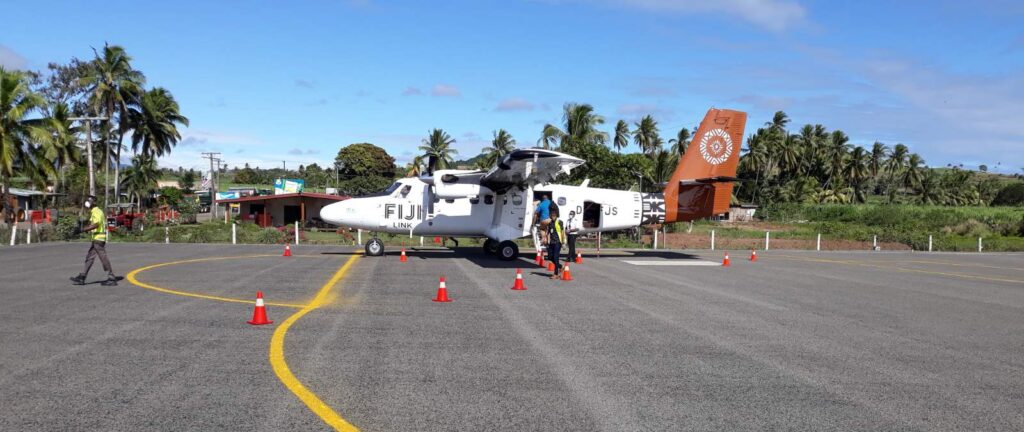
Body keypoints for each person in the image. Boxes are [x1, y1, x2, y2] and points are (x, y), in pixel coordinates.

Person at [69, 195, 119, 286]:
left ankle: (111, 277)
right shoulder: (94, 212)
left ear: (93, 203)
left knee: (103, 257)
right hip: (96, 239)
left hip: (98, 239)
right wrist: (82, 224)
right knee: (90, 257)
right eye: (87, 200)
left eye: (89, 201)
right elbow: (93, 224)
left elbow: (96, 225)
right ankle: (83, 277)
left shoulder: (97, 212)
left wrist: (82, 230)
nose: (87, 202)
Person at [546, 207, 567, 280]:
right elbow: (548, 232)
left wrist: (564, 242)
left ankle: (556, 274)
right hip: (551, 242)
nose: (553, 217)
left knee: (556, 257)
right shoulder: (550, 223)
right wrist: (547, 241)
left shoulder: (559, 222)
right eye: (552, 215)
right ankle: (561, 267)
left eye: (554, 215)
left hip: (558, 242)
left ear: (556, 216)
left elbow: (562, 232)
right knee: (550, 257)